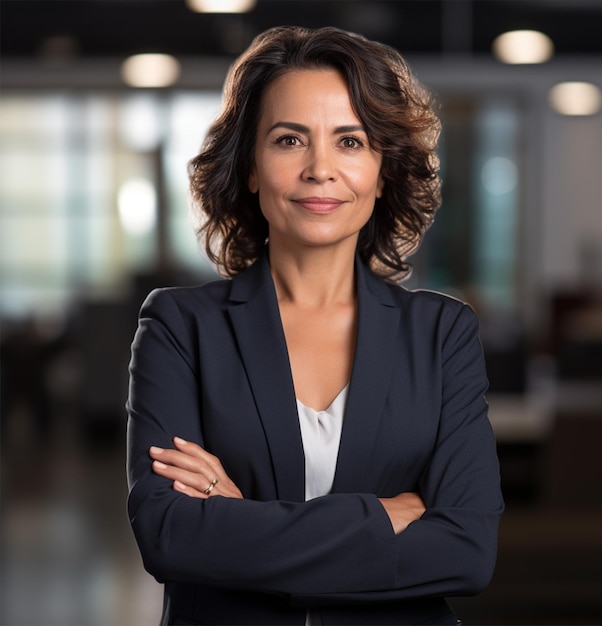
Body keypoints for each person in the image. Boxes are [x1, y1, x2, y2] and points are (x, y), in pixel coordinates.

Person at [126, 25, 504, 626]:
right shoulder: (180, 327)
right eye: (289, 140)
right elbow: (170, 534)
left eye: (350, 142)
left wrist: (242, 522)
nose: (320, 168)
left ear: (382, 173)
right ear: (250, 167)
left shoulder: (443, 335)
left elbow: (467, 553)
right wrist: (385, 516)